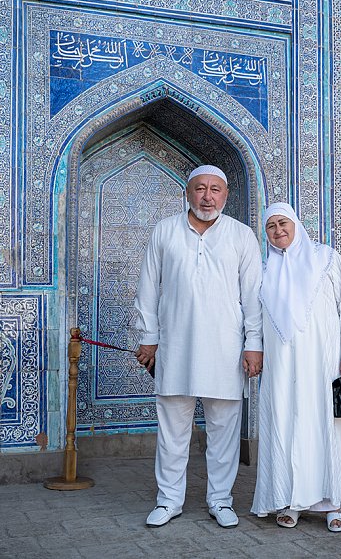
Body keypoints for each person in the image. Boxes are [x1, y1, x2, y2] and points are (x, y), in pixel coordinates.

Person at [134, 165, 263, 528]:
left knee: (224, 432)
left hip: (226, 349)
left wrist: (253, 344)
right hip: (176, 347)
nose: (208, 196)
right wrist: (149, 338)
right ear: (187, 193)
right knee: (172, 430)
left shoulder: (241, 235)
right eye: (201, 188)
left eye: (216, 189)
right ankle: (168, 501)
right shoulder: (165, 230)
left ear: (225, 194)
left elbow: (253, 296)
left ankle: (220, 500)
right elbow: (148, 288)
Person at [251, 202, 341, 533]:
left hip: (322, 361)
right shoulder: (265, 269)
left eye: (283, 222)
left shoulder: (326, 258)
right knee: (284, 423)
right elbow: (254, 318)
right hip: (281, 366)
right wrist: (254, 349)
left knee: (323, 424)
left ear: (296, 224)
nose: (278, 230)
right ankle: (290, 501)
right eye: (271, 226)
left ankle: (333, 504)